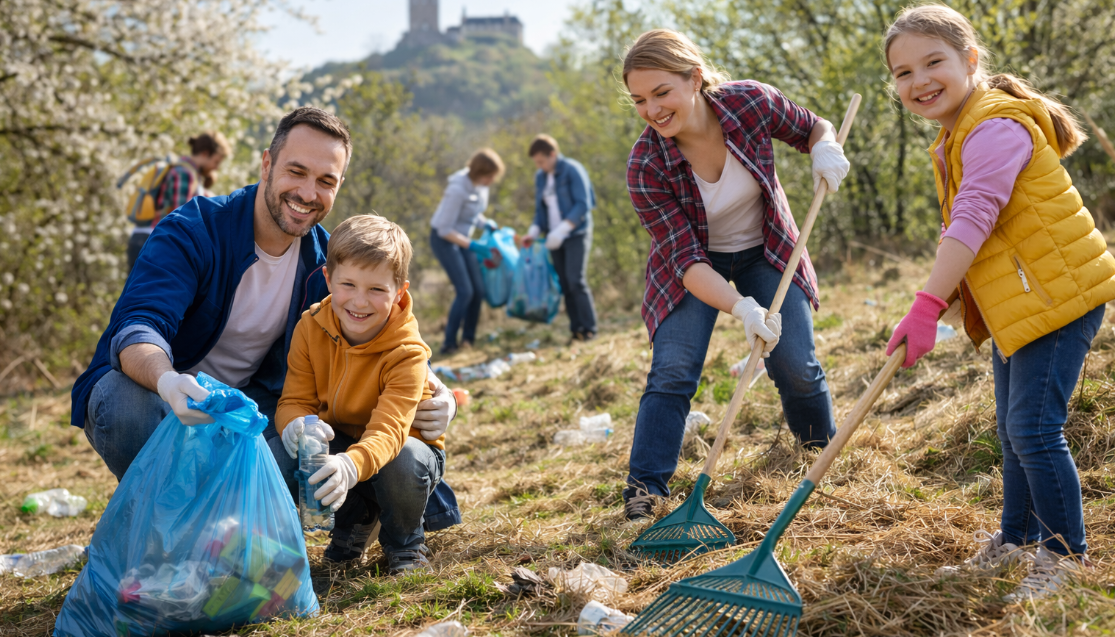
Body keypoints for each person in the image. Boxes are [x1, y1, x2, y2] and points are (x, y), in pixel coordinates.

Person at [71, 106, 460, 531]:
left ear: (338, 186)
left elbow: (384, 335)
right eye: (296, 171)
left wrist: (438, 391)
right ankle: (167, 523)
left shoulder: (329, 265)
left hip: (255, 409)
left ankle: (243, 526)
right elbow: (138, 325)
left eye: (325, 181)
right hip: (163, 399)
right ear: (267, 164)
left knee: (304, 442)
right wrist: (167, 381)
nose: (308, 193)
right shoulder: (192, 231)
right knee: (124, 403)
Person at [883, 5, 1115, 601]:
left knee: (1034, 428)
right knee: (1014, 433)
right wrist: (941, 299)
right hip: (1023, 296)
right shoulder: (959, 132)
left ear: (970, 60)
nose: (919, 81)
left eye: (933, 62)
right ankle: (1016, 539)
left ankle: (1064, 557)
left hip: (1057, 296)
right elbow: (972, 234)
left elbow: (975, 217)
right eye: (903, 73)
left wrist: (926, 305)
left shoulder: (993, 127)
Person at [620, 29, 850, 520]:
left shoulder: (749, 104)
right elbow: (686, 262)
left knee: (796, 365)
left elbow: (813, 127)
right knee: (673, 371)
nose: (652, 109)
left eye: (661, 92)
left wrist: (824, 147)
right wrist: (742, 308)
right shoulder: (645, 165)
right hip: (693, 268)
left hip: (766, 250)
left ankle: (819, 459)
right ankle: (645, 491)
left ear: (694, 78)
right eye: (639, 100)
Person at [275, 215, 442, 570]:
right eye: (348, 284)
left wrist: (350, 466)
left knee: (406, 460)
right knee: (281, 453)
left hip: (399, 450)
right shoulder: (310, 327)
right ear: (328, 278)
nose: (360, 301)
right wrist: (293, 424)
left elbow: (390, 431)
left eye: (377, 290)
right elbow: (295, 400)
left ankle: (405, 543)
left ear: (400, 292)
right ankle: (353, 524)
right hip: (341, 442)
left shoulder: (408, 352)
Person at [522, 135, 599, 341]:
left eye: (541, 161)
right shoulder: (540, 177)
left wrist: (562, 230)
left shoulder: (572, 169)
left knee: (576, 280)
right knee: (564, 284)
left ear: (552, 154)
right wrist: (534, 231)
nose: (539, 166)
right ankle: (576, 330)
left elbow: (583, 204)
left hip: (575, 234)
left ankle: (589, 328)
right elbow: (540, 210)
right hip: (553, 239)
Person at [429, 148, 505, 354]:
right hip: (444, 240)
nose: (492, 180)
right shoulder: (457, 189)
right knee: (465, 291)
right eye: (490, 176)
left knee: (478, 290)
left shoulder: (481, 186)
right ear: (479, 172)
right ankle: (449, 343)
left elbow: (472, 213)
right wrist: (473, 246)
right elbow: (444, 229)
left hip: (463, 239)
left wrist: (485, 223)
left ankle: (467, 340)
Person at [126, 131, 232, 270]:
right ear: (205, 153)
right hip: (154, 245)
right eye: (216, 162)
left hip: (145, 240)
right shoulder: (184, 174)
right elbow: (182, 220)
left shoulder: (186, 172)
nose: (216, 168)